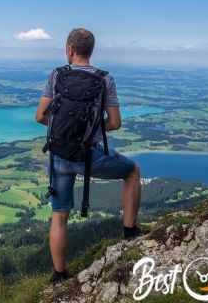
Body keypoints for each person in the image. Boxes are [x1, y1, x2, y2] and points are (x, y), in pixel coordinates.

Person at [35, 28, 142, 285]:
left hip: (58, 155)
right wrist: (90, 129)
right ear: (90, 51)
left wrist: (64, 132)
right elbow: (115, 122)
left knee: (59, 216)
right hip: (88, 156)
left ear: (69, 50)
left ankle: (59, 275)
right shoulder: (105, 79)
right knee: (132, 171)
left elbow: (40, 117)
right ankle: (129, 232)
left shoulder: (56, 74)